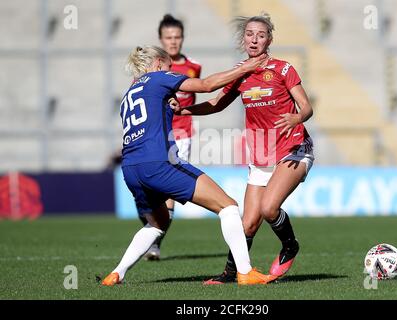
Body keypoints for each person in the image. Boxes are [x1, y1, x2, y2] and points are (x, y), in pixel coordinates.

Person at [101, 45, 277, 286]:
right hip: (158, 163)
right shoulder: (158, 77)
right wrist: (246, 67)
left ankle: (116, 274)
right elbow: (205, 86)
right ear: (158, 63)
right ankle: (245, 272)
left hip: (131, 169)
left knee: (158, 223)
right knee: (228, 207)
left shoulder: (129, 93)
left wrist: (171, 107)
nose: (171, 71)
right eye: (169, 66)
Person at [173, 12, 315, 284]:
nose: (254, 39)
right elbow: (216, 103)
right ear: (243, 39)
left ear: (269, 40)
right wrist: (185, 108)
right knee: (247, 224)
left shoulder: (284, 69)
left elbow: (306, 107)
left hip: (293, 148)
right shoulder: (241, 73)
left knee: (269, 208)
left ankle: (290, 245)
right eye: (250, 34)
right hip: (262, 154)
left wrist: (297, 117)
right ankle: (229, 273)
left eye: (261, 35)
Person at [141, 14, 203, 261]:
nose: (173, 42)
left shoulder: (194, 67)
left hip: (181, 134)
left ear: (183, 38)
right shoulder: (152, 67)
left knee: (168, 190)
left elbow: (196, 95)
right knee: (149, 189)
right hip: (154, 134)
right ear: (160, 39)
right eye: (168, 37)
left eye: (177, 37)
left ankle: (154, 243)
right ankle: (151, 230)